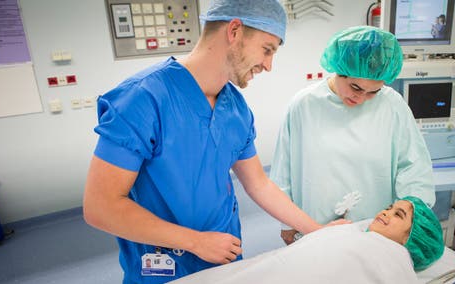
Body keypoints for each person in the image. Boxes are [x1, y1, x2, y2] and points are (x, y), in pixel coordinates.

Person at [83, 0, 348, 282]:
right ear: (234, 30)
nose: (269, 66)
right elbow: (101, 207)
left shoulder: (235, 108)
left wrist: (317, 230)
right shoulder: (142, 99)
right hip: (164, 266)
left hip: (225, 255)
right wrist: (195, 242)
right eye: (267, 50)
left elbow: (258, 183)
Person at [269, 26, 436, 245]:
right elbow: (283, 170)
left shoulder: (392, 105)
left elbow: (413, 167)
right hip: (313, 226)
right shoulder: (305, 105)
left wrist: (409, 223)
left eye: (373, 92)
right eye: (355, 87)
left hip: (375, 231)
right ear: (338, 69)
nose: (361, 98)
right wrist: (288, 224)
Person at [171, 196, 445, 283]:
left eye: (398, 215)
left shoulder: (393, 260)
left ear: (413, 237)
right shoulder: (355, 233)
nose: (385, 212)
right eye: (389, 207)